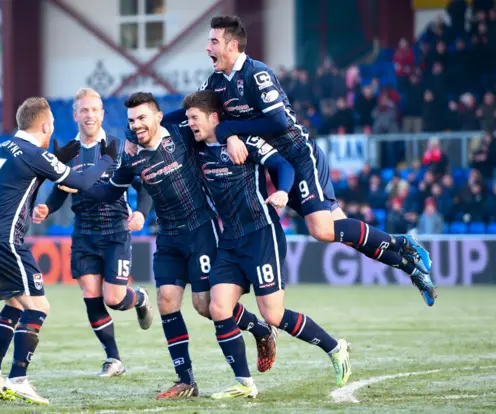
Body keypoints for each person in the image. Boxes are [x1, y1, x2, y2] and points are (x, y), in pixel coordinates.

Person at [155, 15, 436, 306]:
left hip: (300, 156)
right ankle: (410, 266)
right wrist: (157, 122)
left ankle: (404, 242)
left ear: (232, 45)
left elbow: (277, 122)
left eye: (213, 41)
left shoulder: (256, 73)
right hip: (278, 165)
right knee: (341, 230)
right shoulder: (215, 82)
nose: (207, 47)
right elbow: (191, 114)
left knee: (322, 229)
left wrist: (230, 130)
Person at [83, 92, 277, 399]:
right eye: (131, 121)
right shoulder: (131, 155)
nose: (136, 126)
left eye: (143, 118)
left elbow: (214, 122)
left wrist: (233, 137)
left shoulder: (182, 133)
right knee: (166, 303)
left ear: (159, 117)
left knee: (205, 306)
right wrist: (74, 182)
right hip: (169, 236)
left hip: (201, 229)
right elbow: (110, 191)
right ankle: (186, 379)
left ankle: (260, 329)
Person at [183, 89, 352, 398]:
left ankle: (335, 347)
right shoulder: (195, 149)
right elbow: (165, 124)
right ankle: (244, 384)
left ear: (214, 118)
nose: (190, 123)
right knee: (218, 307)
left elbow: (284, 166)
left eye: (195, 118)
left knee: (274, 314)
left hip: (262, 235)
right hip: (230, 240)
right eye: (188, 119)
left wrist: (284, 191)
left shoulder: (245, 142)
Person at [0, 97, 118, 406]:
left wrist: (56, 157)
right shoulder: (35, 154)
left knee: (16, 304)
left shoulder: (2, 147)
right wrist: (107, 161)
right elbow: (81, 181)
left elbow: (27, 175)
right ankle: (18, 378)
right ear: (46, 125)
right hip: (4, 239)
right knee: (39, 306)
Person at [31, 88, 154, 377]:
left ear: (102, 114)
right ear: (75, 115)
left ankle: (139, 298)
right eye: (84, 110)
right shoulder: (66, 152)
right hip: (84, 232)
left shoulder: (118, 147)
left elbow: (144, 186)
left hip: (115, 232)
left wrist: (141, 213)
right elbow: (62, 189)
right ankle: (114, 360)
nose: (89, 115)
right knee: (90, 292)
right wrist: (47, 208)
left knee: (113, 298)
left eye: (94, 110)